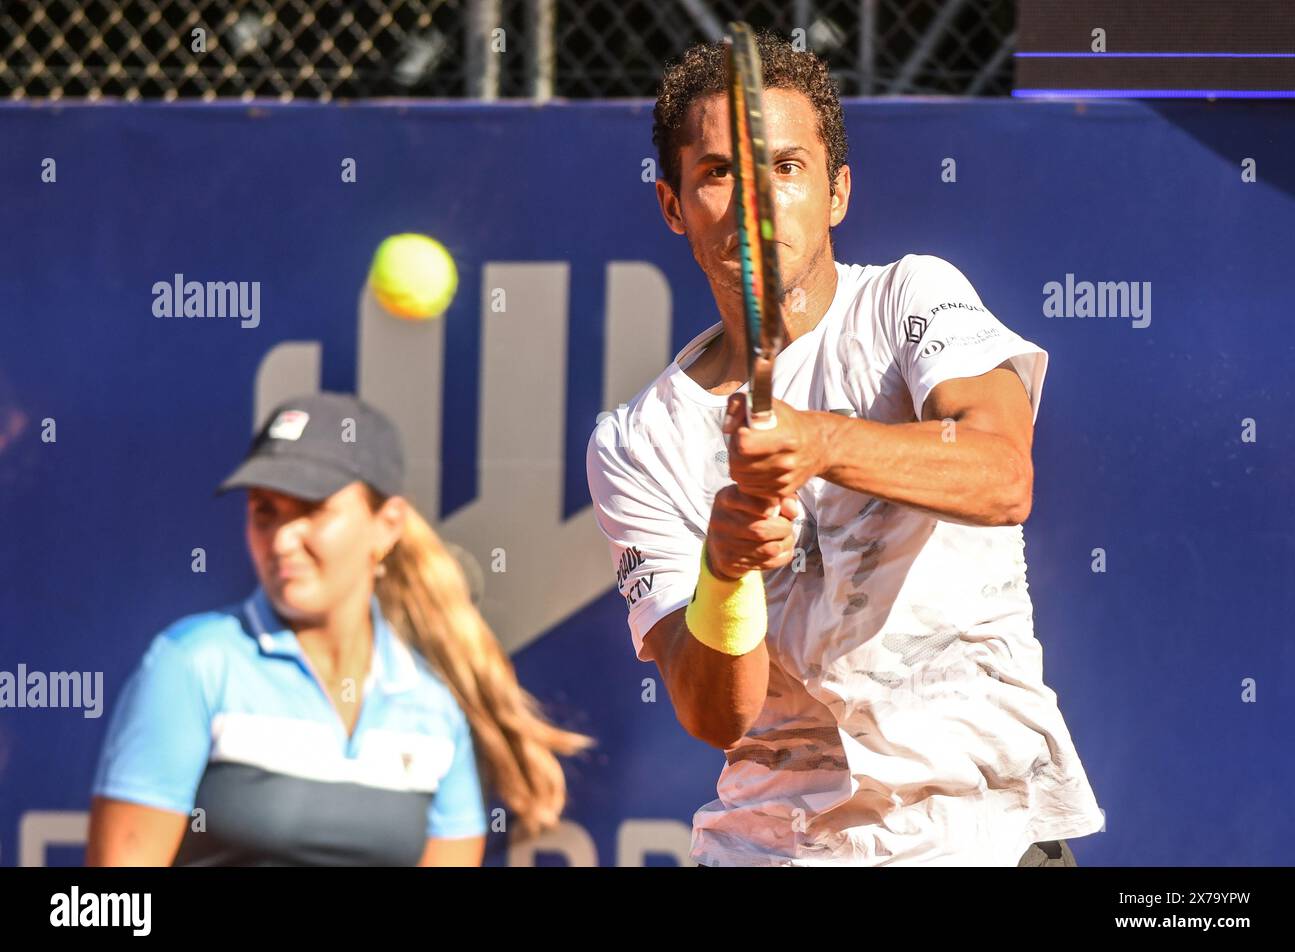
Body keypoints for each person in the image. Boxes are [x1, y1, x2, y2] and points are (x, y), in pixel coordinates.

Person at [585, 32, 1104, 866]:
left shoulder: (913, 296)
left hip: (984, 832)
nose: (757, 200)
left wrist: (819, 439)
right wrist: (728, 567)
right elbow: (716, 714)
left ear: (837, 193)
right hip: (769, 848)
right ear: (673, 206)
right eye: (720, 172)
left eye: (786, 167)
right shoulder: (634, 440)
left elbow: (1003, 475)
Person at [89, 392, 593, 865]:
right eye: (265, 512)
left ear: (387, 526)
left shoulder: (433, 707)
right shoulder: (190, 665)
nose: (283, 539)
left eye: (312, 509)